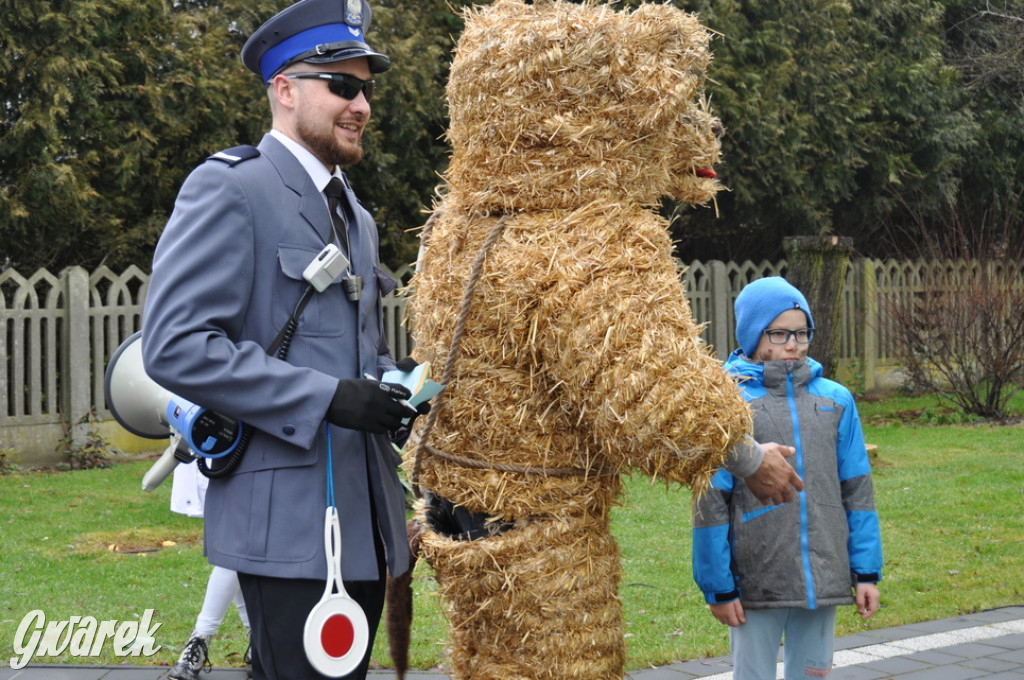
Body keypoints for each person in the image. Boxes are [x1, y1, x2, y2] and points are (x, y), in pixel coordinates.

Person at [141, 1, 423, 678]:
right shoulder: (232, 188)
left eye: (367, 89)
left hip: (367, 525)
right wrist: (328, 398)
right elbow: (175, 345)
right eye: (344, 86)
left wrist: (394, 384)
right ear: (286, 90)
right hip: (289, 527)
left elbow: (346, 356)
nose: (362, 105)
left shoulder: (353, 212)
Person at [691, 276, 883, 680]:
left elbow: (857, 489)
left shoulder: (836, 400)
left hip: (823, 575)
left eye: (801, 332)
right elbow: (709, 502)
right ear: (752, 335)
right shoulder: (728, 402)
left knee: (813, 673)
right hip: (755, 578)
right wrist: (718, 587)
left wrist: (866, 571)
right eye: (779, 333)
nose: (792, 343)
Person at [166, 437, 251, 680]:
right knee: (233, 548)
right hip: (210, 442)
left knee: (235, 547)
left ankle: (200, 642)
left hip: (244, 446)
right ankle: (256, 644)